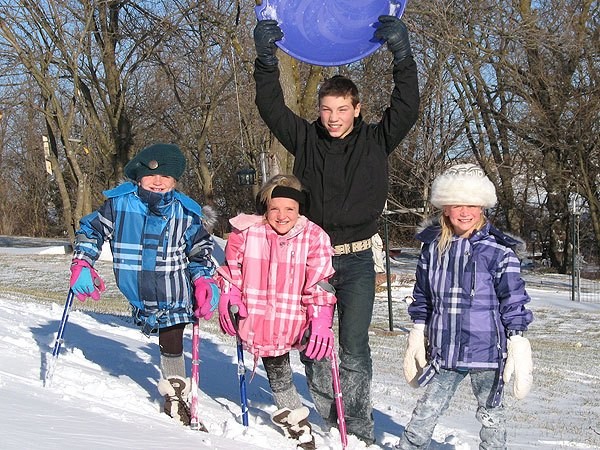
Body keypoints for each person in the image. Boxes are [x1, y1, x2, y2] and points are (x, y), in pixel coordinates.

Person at [252, 15, 420, 444]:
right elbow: (271, 107)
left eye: (342, 109)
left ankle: (359, 424)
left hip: (360, 259)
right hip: (313, 260)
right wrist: (265, 59)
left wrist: (403, 54)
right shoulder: (306, 139)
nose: (333, 117)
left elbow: (407, 105)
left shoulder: (377, 140)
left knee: (354, 347)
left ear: (357, 108)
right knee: (314, 344)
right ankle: (332, 412)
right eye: (326, 109)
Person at [69, 143, 220, 426]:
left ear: (175, 181)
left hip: (174, 286)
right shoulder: (119, 204)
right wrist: (83, 262)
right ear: (139, 176)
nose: (159, 181)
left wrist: (203, 279)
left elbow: (200, 250)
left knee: (172, 332)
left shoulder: (186, 212)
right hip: (135, 285)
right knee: (157, 324)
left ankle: (174, 393)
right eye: (152, 175)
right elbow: (91, 230)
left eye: (167, 177)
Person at [397, 164, 534, 449]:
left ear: (483, 206)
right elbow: (423, 293)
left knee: (491, 413)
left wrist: (518, 339)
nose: (464, 212)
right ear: (445, 208)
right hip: (444, 350)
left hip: (486, 351)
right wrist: (417, 331)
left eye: (472, 204)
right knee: (427, 409)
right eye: (457, 204)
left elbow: (513, 298)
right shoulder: (432, 249)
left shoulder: (498, 252)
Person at [216, 174, 336, 450]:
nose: (282, 216)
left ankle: (335, 418)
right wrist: (229, 293)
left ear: (299, 209)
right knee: (276, 365)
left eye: (289, 209)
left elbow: (320, 279)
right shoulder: (247, 232)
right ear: (266, 208)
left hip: (299, 315)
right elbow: (231, 268)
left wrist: (320, 318)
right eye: (275, 209)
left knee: (319, 362)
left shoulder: (314, 236)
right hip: (260, 315)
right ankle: (293, 416)